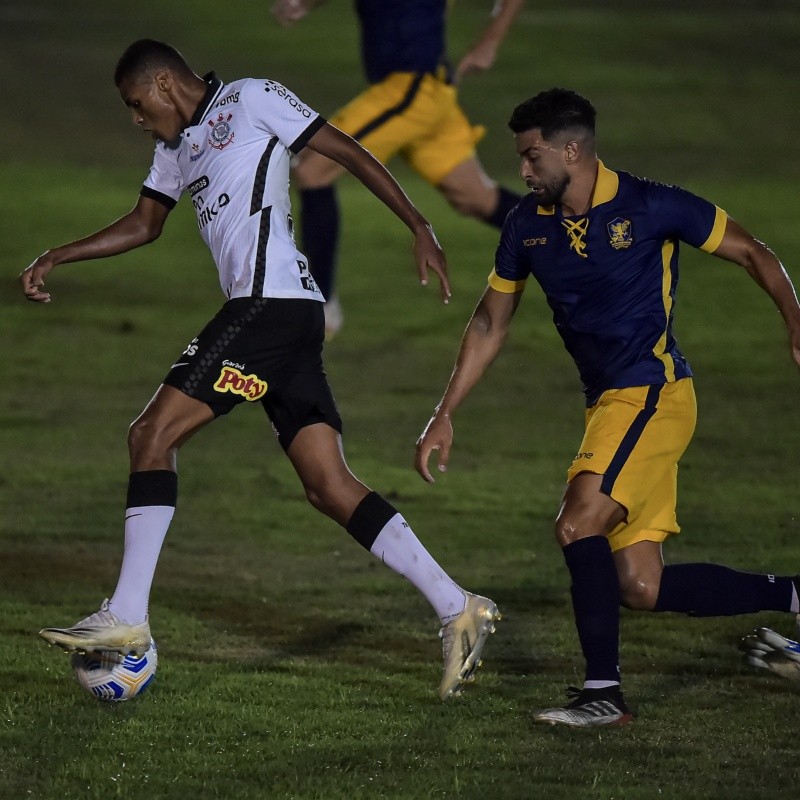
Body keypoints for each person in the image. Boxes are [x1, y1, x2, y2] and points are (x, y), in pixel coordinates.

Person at [21, 39, 501, 702]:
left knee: (150, 436)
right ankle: (460, 607)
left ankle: (126, 619)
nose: (136, 119)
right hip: (283, 323)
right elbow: (144, 223)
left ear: (162, 84)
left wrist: (418, 221)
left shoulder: (251, 99)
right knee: (330, 486)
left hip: (269, 308)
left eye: (137, 104)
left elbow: (346, 148)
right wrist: (58, 255)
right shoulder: (174, 148)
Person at [414, 87, 800, 726]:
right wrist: (444, 410)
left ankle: (602, 695)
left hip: (653, 393)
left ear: (572, 150)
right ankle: (792, 594)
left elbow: (753, 252)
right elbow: (490, 321)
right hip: (609, 408)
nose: (524, 172)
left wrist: (794, 319)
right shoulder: (527, 226)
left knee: (576, 523)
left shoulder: (652, 205)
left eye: (533, 158)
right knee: (639, 586)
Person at [271, 0, 526, 336]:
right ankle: (579, 238)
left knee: (314, 168)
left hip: (411, 88)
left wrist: (490, 39)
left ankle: (320, 305)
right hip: (424, 87)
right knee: (476, 198)